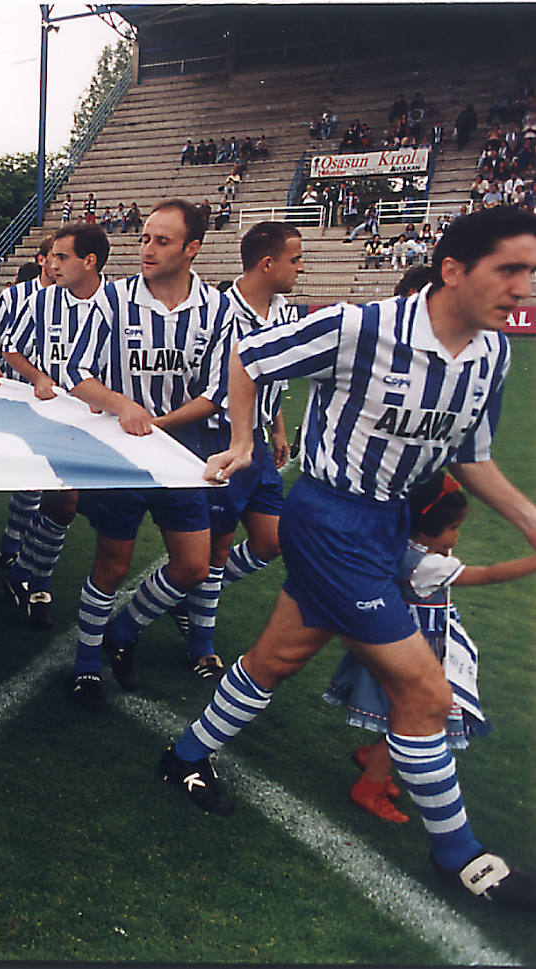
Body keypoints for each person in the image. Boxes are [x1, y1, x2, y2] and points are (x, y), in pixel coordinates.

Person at [161, 205, 536, 910]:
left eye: (531, 272)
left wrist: (527, 517)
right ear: (453, 270)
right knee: (426, 692)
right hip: (330, 518)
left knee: (276, 657)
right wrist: (243, 442)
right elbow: (251, 357)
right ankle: (465, 857)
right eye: (509, 269)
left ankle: (182, 755)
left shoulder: (492, 354)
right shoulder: (360, 328)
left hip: (386, 524)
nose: (524, 287)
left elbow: (470, 454)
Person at [63, 199, 234, 710]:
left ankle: (123, 629)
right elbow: (77, 372)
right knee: (113, 564)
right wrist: (121, 405)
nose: (148, 248)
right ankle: (87, 662)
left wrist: (157, 423)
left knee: (193, 567)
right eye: (144, 239)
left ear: (192, 249)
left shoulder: (218, 308)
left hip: (184, 456)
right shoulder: (114, 300)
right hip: (124, 455)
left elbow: (219, 391)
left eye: (162, 241)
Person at [323, 472, 536, 823]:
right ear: (424, 531)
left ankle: (374, 762)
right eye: (452, 529)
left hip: (395, 640)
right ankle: (370, 786)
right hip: (417, 650)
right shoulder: (428, 566)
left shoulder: (400, 545)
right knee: (414, 716)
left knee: (402, 709)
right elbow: (488, 575)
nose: (457, 536)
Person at [172, 223, 303, 679]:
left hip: (260, 442)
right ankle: (201, 644)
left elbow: (274, 375)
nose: (301, 268)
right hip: (220, 438)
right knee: (220, 544)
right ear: (267, 263)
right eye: (295, 260)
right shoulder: (218, 311)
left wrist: (277, 425)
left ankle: (192, 598)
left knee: (273, 540)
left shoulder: (285, 311)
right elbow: (204, 382)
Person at [0, 224, 109, 628]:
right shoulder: (43, 301)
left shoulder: (116, 303)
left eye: (61, 256)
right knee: (64, 499)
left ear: (89, 261)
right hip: (50, 414)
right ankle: (34, 577)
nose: (52, 263)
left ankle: (23, 566)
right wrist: (39, 377)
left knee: (78, 505)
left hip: (99, 419)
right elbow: (9, 346)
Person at [0, 236, 55, 577]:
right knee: (32, 478)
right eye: (56, 257)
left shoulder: (86, 299)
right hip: (21, 398)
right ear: (42, 259)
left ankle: (21, 551)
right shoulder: (15, 297)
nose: (59, 265)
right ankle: (13, 546)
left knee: (50, 486)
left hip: (65, 401)